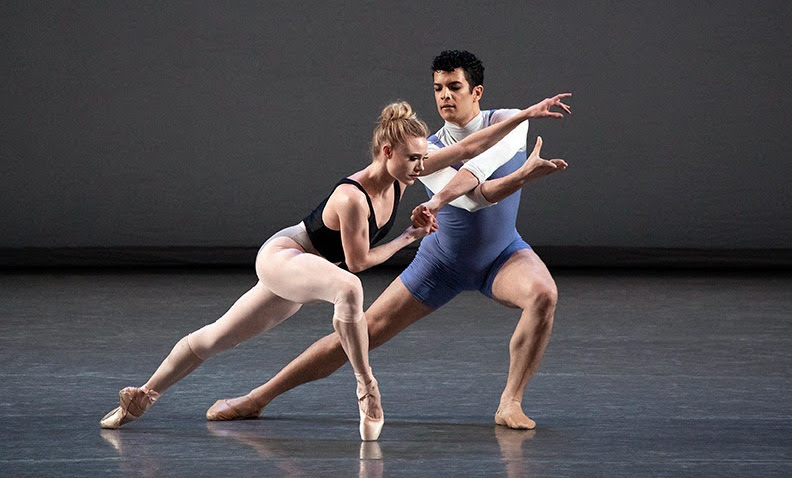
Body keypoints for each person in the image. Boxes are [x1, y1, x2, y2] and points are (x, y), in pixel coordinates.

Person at [99, 99, 543, 441]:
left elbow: (471, 147)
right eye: (412, 160)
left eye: (422, 159)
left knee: (213, 337)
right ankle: (367, 388)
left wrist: (527, 114)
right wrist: (409, 238)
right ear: (386, 151)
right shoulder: (354, 196)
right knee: (349, 287)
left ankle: (143, 396)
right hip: (284, 257)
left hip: (308, 272)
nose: (420, 168)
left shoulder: (406, 170)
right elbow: (360, 263)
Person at [206, 50, 571, 431]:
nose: (445, 95)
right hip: (442, 263)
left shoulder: (512, 120)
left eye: (454, 87)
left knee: (544, 294)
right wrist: (521, 177)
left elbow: (479, 163)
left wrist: (520, 173)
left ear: (476, 91)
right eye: (438, 88)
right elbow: (477, 196)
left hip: (501, 255)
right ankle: (258, 398)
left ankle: (510, 403)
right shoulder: (421, 152)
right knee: (358, 334)